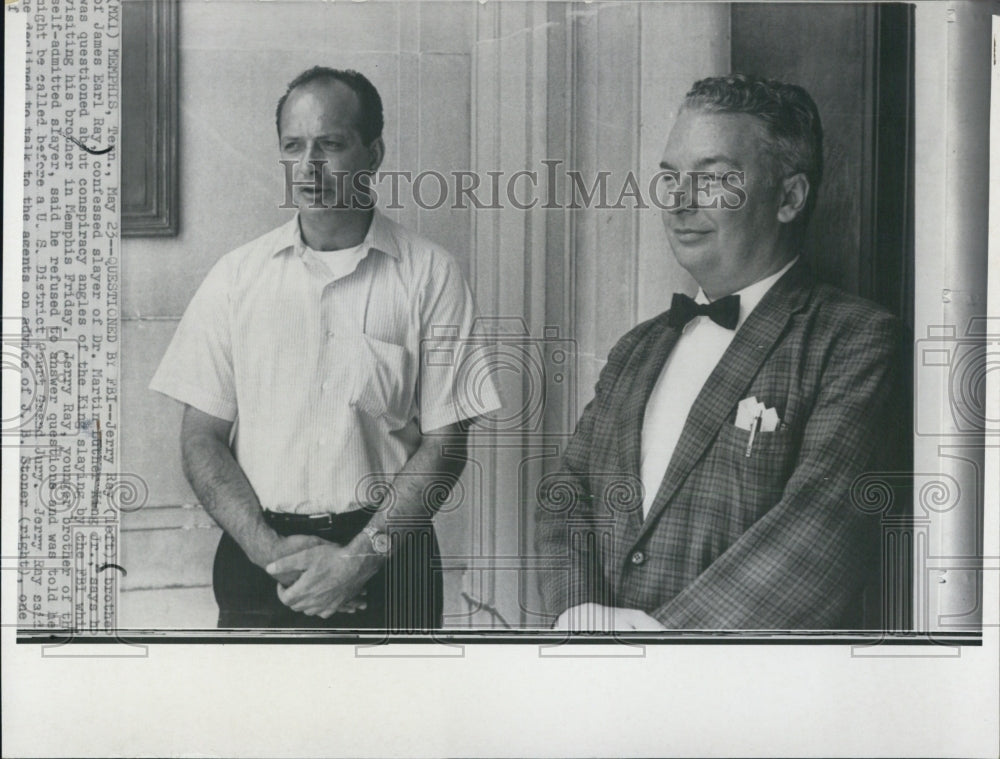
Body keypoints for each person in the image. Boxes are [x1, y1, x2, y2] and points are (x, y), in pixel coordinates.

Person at [535, 74, 908, 631]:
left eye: (712, 180)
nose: (680, 203)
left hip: (752, 697)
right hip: (601, 683)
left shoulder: (856, 340)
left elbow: (822, 531)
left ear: (788, 197)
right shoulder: (636, 349)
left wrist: (660, 645)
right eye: (670, 180)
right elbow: (567, 494)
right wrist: (579, 613)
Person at [150, 67, 499, 630]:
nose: (309, 167)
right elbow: (201, 437)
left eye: (330, 144)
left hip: (390, 563)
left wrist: (356, 561)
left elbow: (446, 445)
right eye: (294, 146)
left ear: (373, 152)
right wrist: (269, 552)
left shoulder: (430, 274)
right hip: (258, 561)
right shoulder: (236, 277)